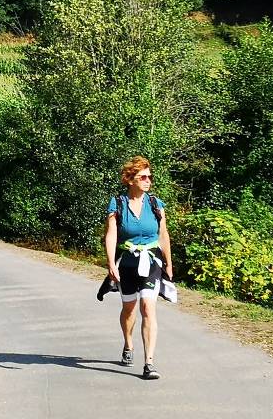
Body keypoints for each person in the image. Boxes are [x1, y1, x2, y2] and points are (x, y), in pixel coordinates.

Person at [104, 155, 173, 380]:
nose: (148, 180)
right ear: (130, 179)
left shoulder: (156, 204)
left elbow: (163, 235)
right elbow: (111, 234)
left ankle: (149, 363)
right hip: (128, 262)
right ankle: (128, 344)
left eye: (150, 177)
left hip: (151, 261)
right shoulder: (118, 203)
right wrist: (110, 263)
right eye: (143, 177)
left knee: (147, 308)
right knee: (129, 309)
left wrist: (169, 265)